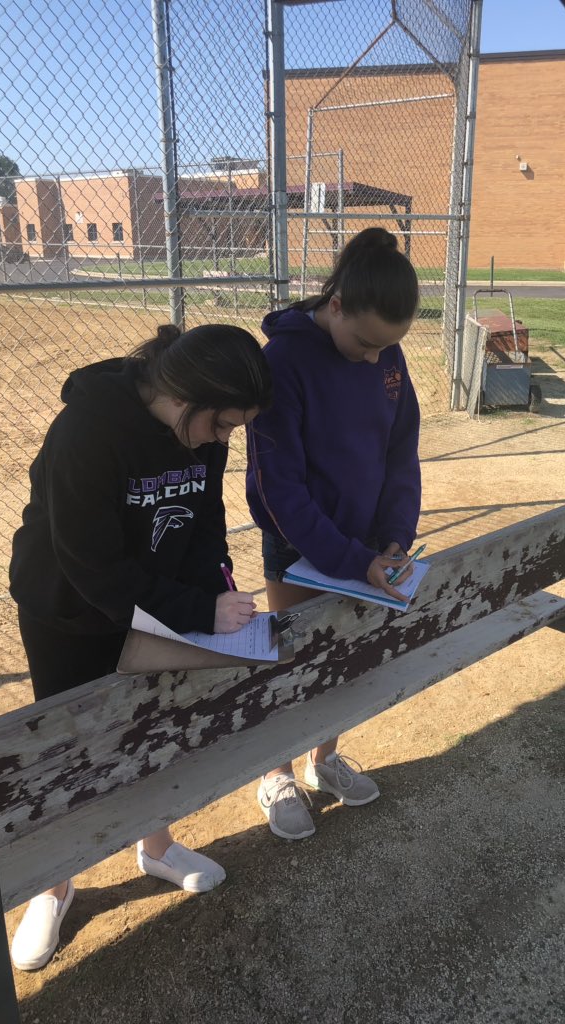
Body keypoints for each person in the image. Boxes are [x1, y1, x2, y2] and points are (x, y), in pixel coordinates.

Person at [8, 322, 272, 970]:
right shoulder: (87, 429)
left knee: (155, 729)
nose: (223, 441)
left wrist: (222, 593)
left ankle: (155, 847)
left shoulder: (203, 431)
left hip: (156, 599)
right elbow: (92, 571)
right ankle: (54, 884)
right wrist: (194, 610)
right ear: (185, 400)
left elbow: (206, 522)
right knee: (71, 751)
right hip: (66, 611)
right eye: (220, 426)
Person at [246, 227, 421, 841]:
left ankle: (323, 760)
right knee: (289, 658)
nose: (376, 359)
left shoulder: (386, 355)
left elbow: (401, 455)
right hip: (300, 547)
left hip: (366, 545)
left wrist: (396, 535)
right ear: (336, 305)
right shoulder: (283, 362)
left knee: (343, 656)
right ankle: (278, 773)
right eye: (366, 343)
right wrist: (349, 558)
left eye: (388, 347)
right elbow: (279, 488)